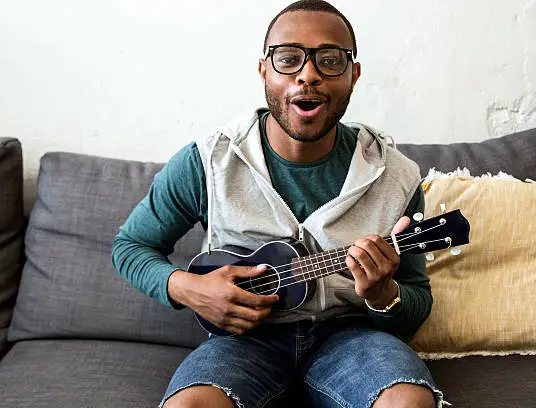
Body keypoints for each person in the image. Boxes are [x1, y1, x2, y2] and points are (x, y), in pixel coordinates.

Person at [112, 1, 444, 407]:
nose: (308, 75)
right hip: (243, 344)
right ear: (263, 70)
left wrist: (382, 293)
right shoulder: (208, 161)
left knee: (408, 402)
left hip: (353, 339)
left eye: (330, 60)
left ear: (354, 75)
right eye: (288, 59)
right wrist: (188, 288)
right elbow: (130, 246)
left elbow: (415, 301)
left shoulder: (396, 175)